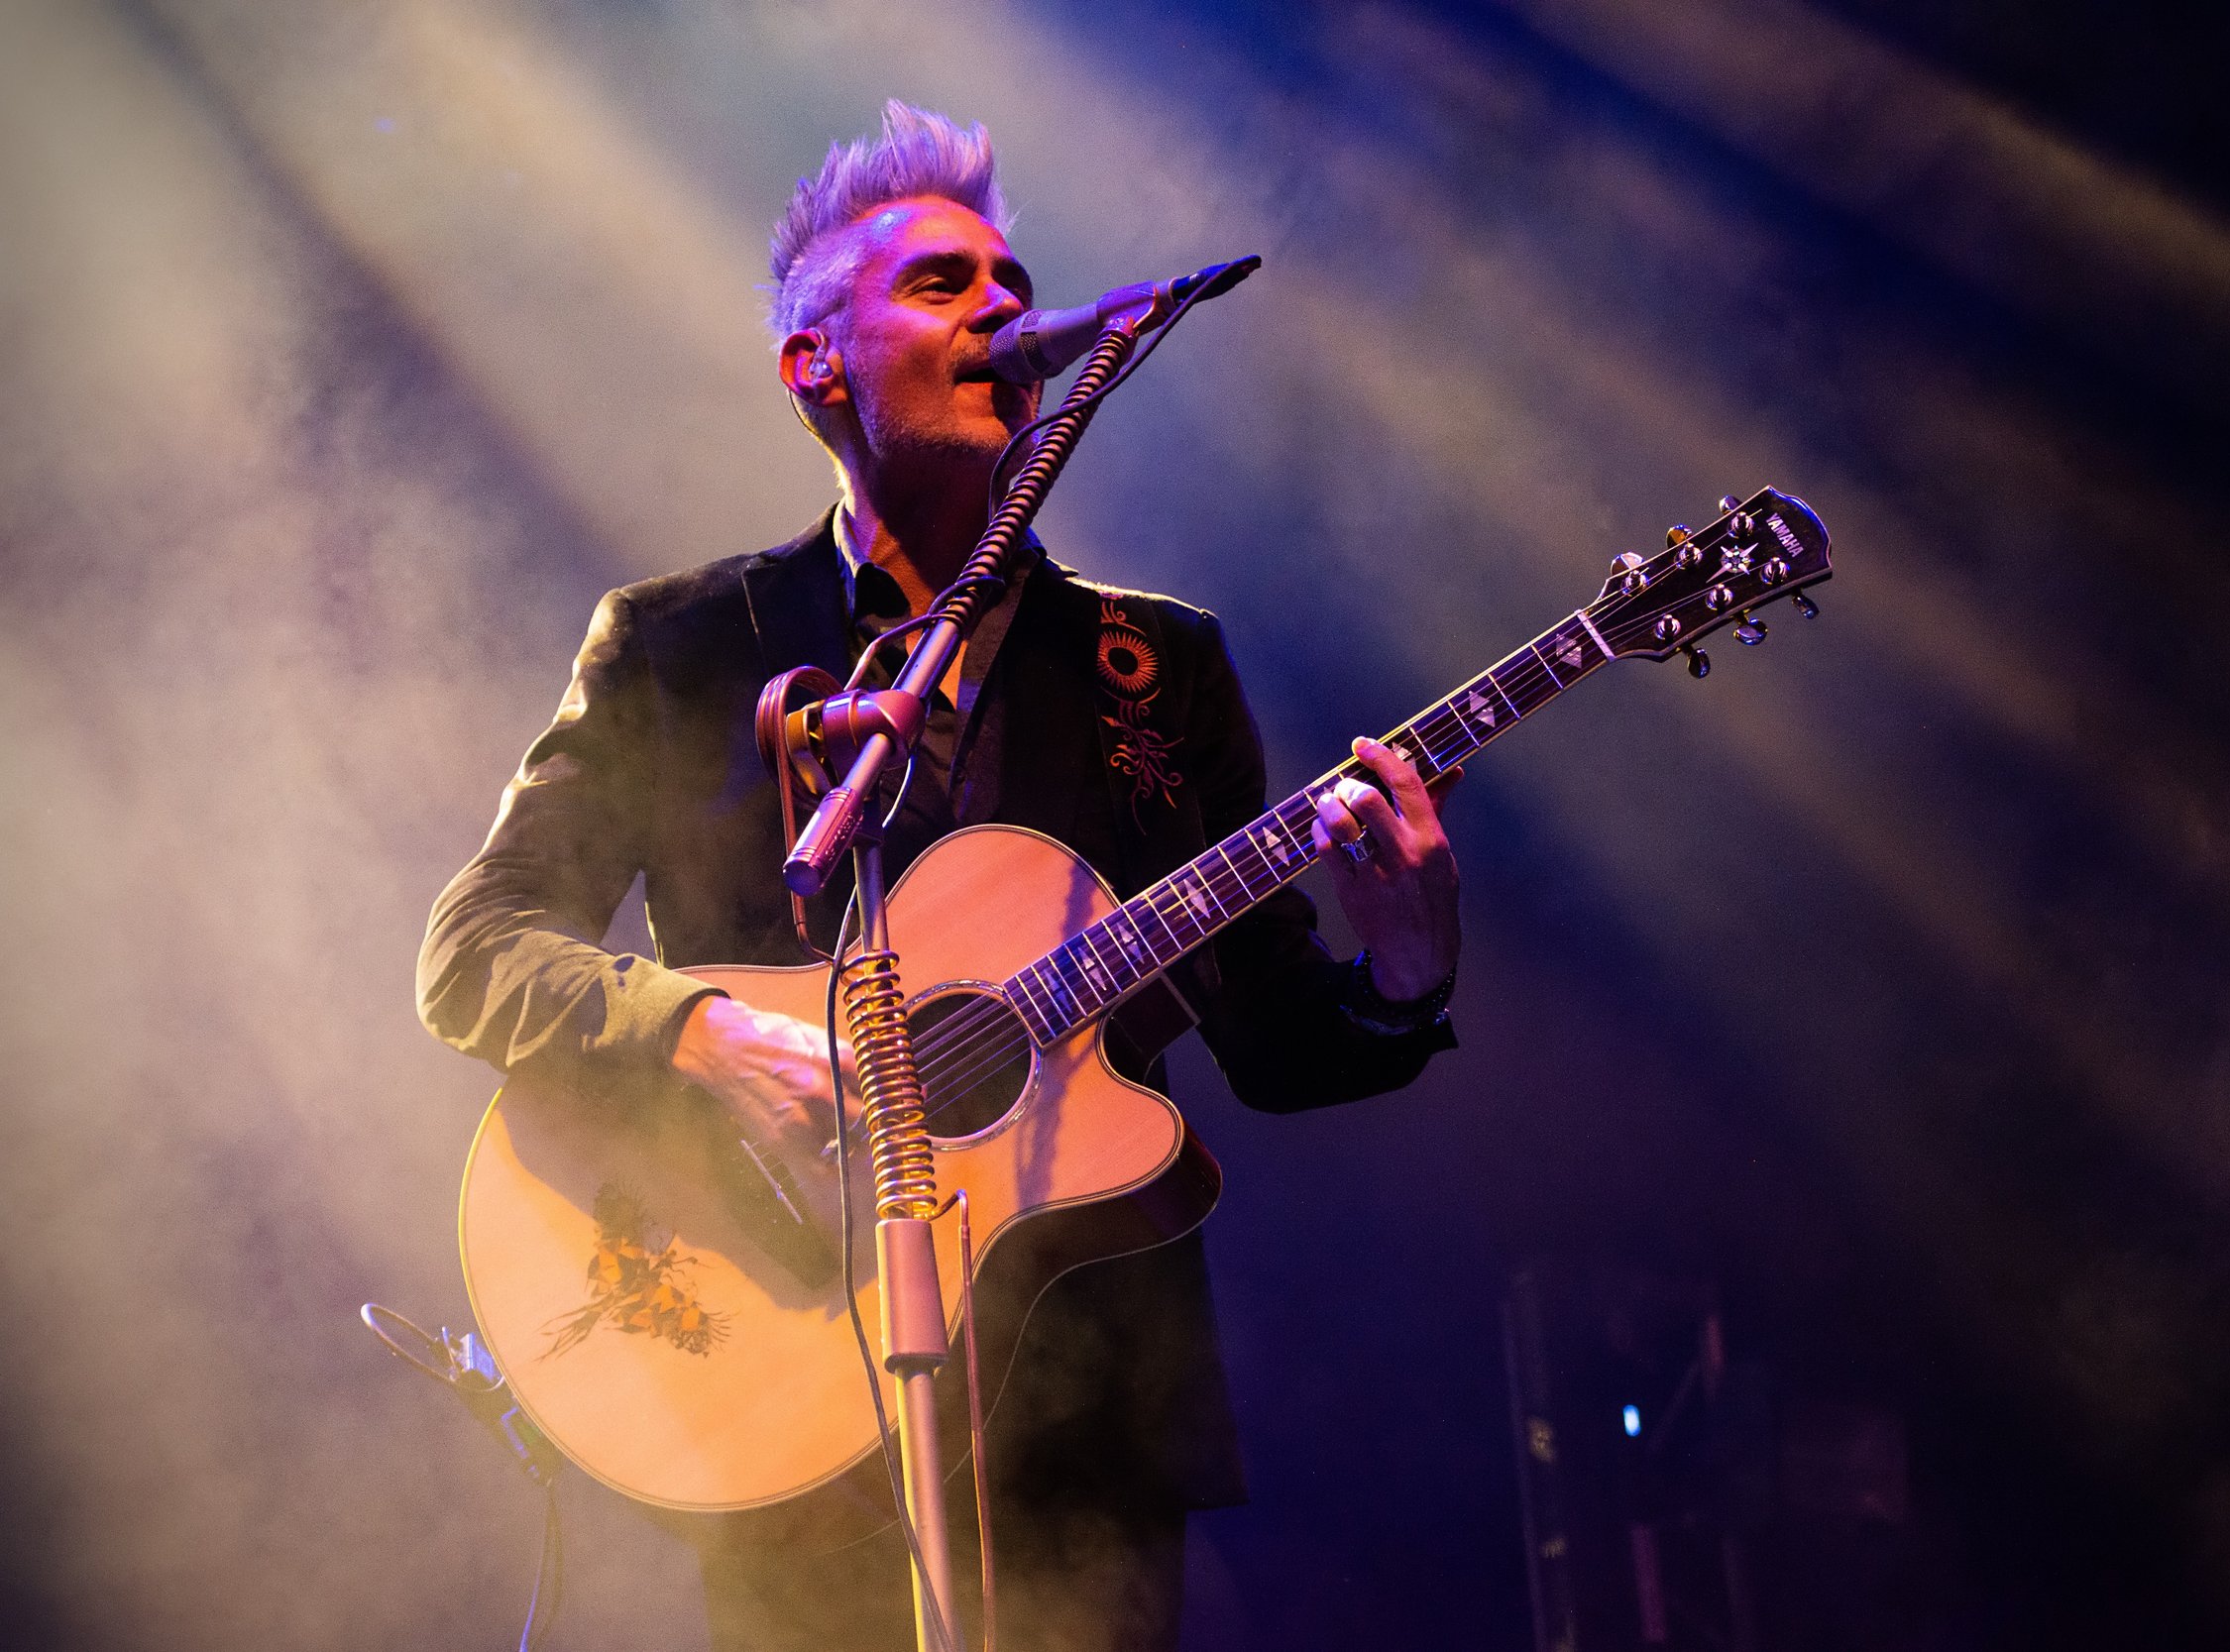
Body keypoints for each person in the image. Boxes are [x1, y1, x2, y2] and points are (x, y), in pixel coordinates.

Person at [417, 101, 1462, 1652]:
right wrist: (696, 1033)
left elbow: (1272, 1038)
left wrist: (1406, 965)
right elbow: (476, 947)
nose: (1000, 310)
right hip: (780, 1387)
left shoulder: (1154, 665)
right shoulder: (682, 646)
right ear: (816, 366)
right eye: (940, 283)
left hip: (1089, 1418)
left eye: (1012, 283)